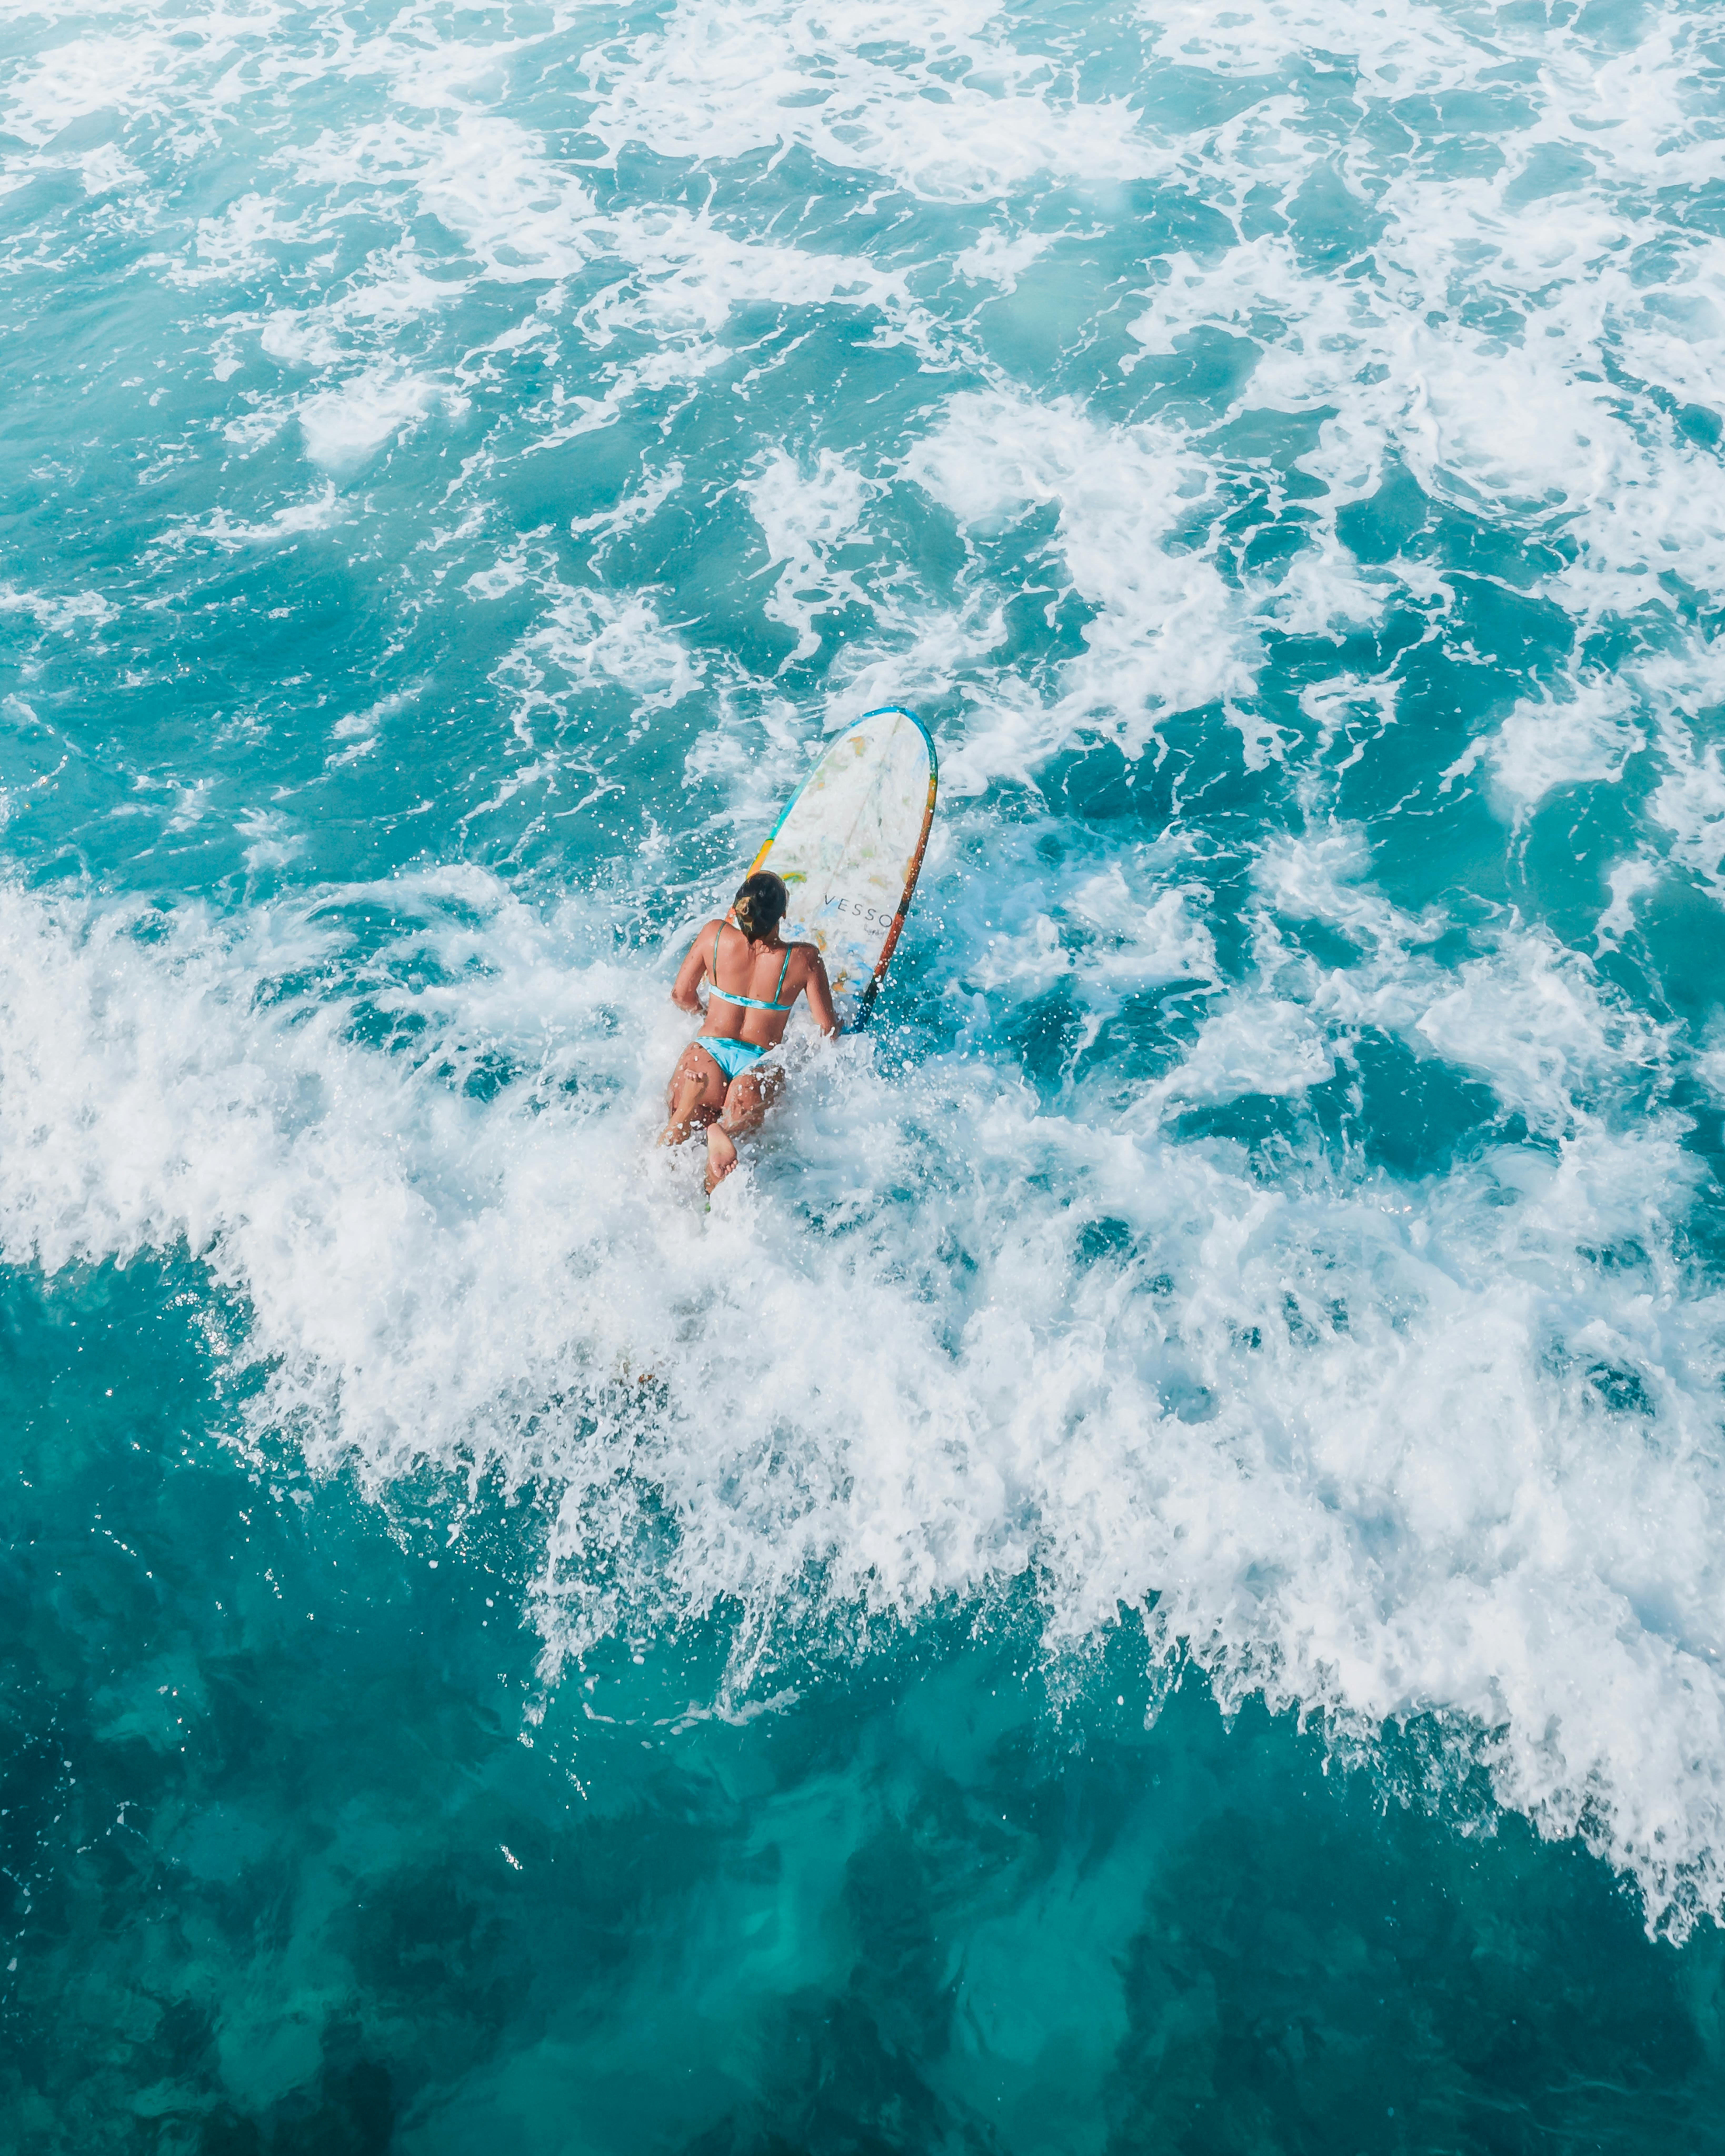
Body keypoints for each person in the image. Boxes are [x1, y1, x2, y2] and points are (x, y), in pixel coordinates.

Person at [657, 869, 839, 1192]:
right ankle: (725, 1133)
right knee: (735, 1136)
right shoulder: (804, 958)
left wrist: (705, 1014)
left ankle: (687, 1111)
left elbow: (681, 996)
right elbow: (827, 1029)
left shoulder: (714, 935)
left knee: (672, 1145)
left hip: (707, 1053)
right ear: (782, 913)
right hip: (756, 1065)